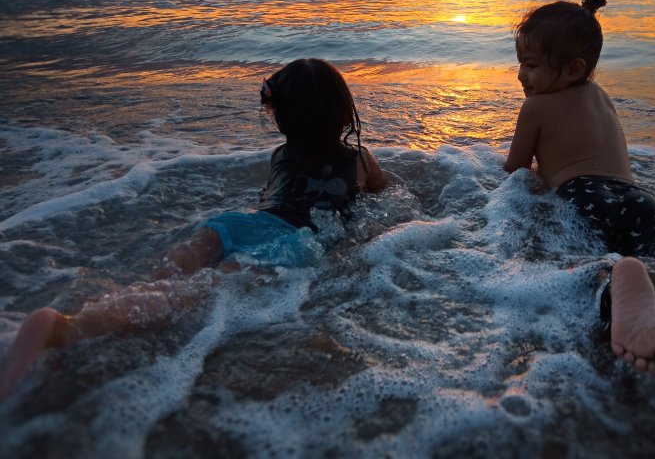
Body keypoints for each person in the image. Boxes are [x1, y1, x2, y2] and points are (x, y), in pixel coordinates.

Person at [0, 58, 386, 401]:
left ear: (281, 116)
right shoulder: (361, 160)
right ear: (342, 113)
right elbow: (384, 193)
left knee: (174, 269)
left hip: (241, 222)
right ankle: (70, 330)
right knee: (205, 287)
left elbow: (271, 197)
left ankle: (109, 310)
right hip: (292, 240)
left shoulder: (280, 155)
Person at [503, 0, 655, 373]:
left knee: (592, 265)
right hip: (638, 199)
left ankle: (614, 299)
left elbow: (514, 171)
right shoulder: (602, 98)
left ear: (572, 68)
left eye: (530, 65)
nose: (521, 75)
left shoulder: (536, 107)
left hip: (583, 195)